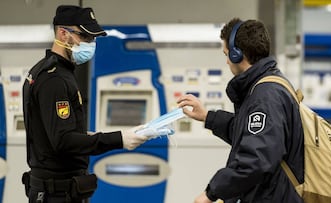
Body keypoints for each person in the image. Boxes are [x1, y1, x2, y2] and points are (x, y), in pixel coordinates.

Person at [22, 5, 149, 203]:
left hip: (61, 189)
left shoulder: (53, 72)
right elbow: (63, 141)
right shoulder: (54, 79)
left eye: (93, 38)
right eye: (85, 37)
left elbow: (53, 134)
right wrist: (119, 139)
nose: (91, 43)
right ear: (63, 34)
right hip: (56, 193)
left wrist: (87, 136)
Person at [177, 18, 305, 203]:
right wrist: (207, 117)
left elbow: (257, 158)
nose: (227, 61)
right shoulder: (269, 85)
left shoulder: (265, 96)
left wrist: (211, 193)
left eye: (227, 54)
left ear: (238, 55)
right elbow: (251, 134)